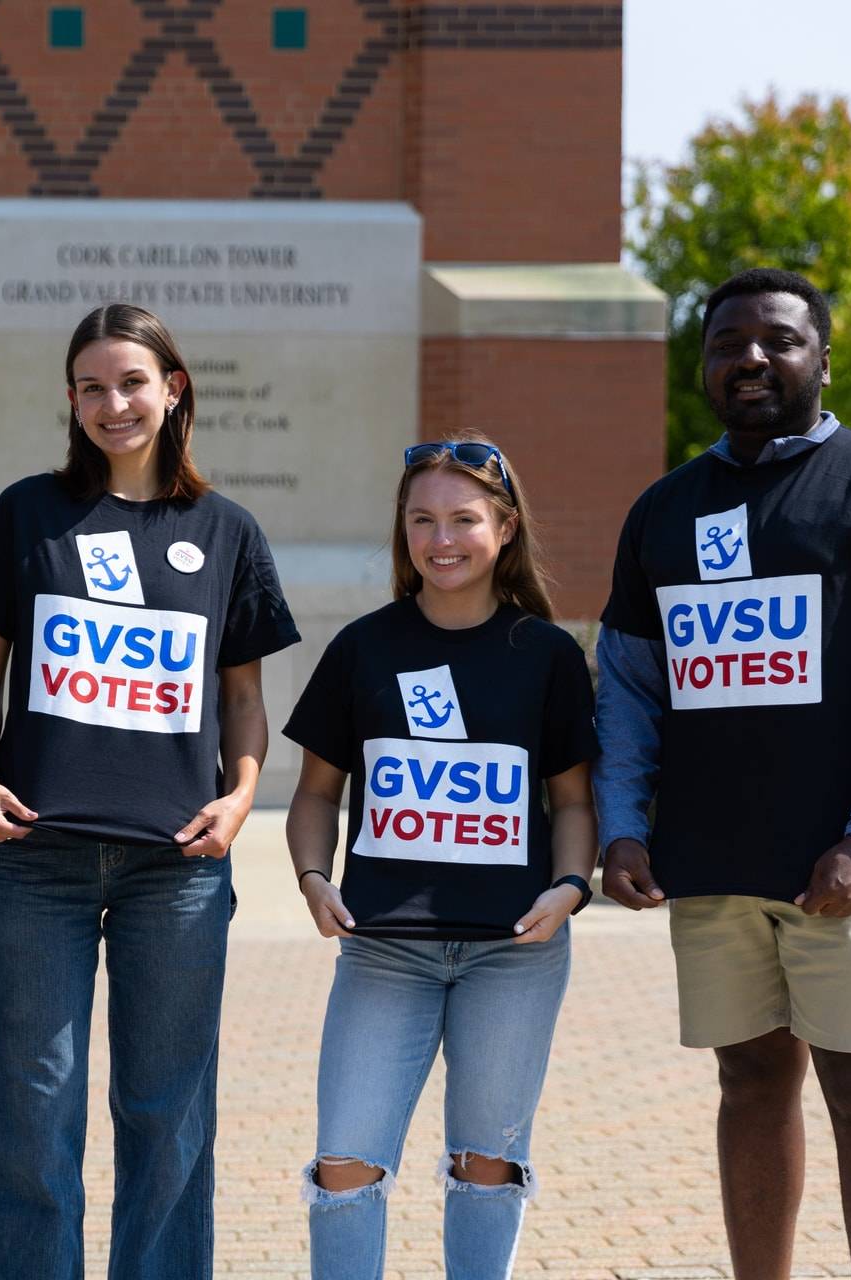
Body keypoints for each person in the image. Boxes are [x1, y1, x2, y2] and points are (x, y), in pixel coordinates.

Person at [595, 268, 851, 1280]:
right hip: (712, 857)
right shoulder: (664, 509)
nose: (751, 359)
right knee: (749, 1080)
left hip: (845, 862)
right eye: (727, 343)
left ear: (822, 356)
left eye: (777, 339)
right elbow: (631, 686)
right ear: (705, 364)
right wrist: (622, 824)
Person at [0, 303, 299, 1278]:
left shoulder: (226, 530)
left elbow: (243, 699)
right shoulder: (29, 514)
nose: (115, 402)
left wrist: (238, 799)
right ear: (71, 399)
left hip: (177, 870)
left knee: (169, 1115)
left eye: (133, 382)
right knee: (31, 1107)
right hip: (37, 862)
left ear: (174, 387)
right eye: (93, 386)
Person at [284, 435, 598, 1280]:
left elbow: (572, 802)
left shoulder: (547, 656)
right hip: (384, 952)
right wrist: (314, 877)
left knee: (485, 1167)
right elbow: (317, 792)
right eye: (422, 519)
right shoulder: (364, 647)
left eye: (463, 518)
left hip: (515, 956)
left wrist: (570, 886)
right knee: (346, 1165)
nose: (441, 538)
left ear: (504, 527)